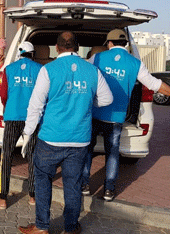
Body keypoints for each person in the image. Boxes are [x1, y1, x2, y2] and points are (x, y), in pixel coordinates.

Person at [82, 29, 170, 201]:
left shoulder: (97, 58)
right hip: (117, 117)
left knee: (87, 150)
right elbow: (154, 84)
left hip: (95, 113)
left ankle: (84, 185)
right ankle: (109, 190)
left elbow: (82, 76)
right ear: (126, 44)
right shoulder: (135, 63)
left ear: (109, 43)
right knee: (112, 153)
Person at [18, 32, 113, 234]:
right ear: (77, 47)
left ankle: (42, 226)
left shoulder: (48, 70)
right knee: (73, 183)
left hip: (50, 138)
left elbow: (36, 106)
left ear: (57, 47)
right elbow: (107, 99)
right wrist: (87, 102)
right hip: (79, 140)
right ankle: (70, 227)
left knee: (43, 179)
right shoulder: (92, 71)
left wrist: (27, 134)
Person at [0, 42, 42, 210]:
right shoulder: (40, 69)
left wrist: (9, 107)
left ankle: (2, 198)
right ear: (32, 54)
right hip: (32, 119)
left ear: (19, 53)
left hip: (12, 117)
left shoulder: (9, 69)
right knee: (32, 155)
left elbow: (3, 95)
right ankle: (33, 196)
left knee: (7, 156)